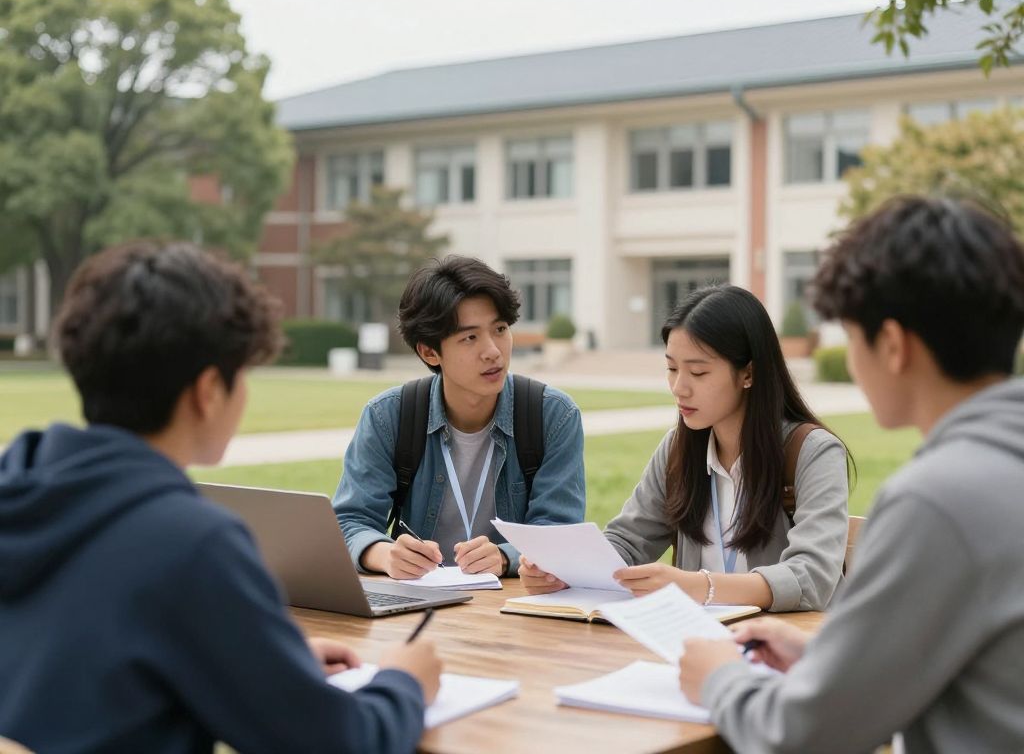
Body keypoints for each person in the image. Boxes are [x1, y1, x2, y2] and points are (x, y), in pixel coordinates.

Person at [0, 243, 441, 753]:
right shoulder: (189, 543)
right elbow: (337, 743)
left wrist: (259, 658)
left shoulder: (24, 486)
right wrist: (403, 683)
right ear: (209, 391)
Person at [678, 196, 1024, 752]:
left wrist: (720, 676)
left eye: (851, 336)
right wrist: (829, 662)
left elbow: (804, 736)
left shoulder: (937, 501)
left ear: (891, 345)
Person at [520, 284, 850, 612]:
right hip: (698, 640)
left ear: (748, 373)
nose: (679, 388)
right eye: (672, 369)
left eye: (698, 372)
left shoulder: (812, 453)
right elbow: (628, 541)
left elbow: (811, 577)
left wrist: (699, 586)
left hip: (786, 648)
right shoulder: (678, 448)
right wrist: (564, 572)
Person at [333, 255, 585, 580]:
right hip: (416, 603)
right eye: (470, 337)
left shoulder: (552, 415)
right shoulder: (388, 416)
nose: (493, 350)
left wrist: (505, 557)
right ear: (429, 352)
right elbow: (348, 521)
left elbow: (561, 532)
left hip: (513, 608)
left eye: (500, 329)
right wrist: (384, 554)